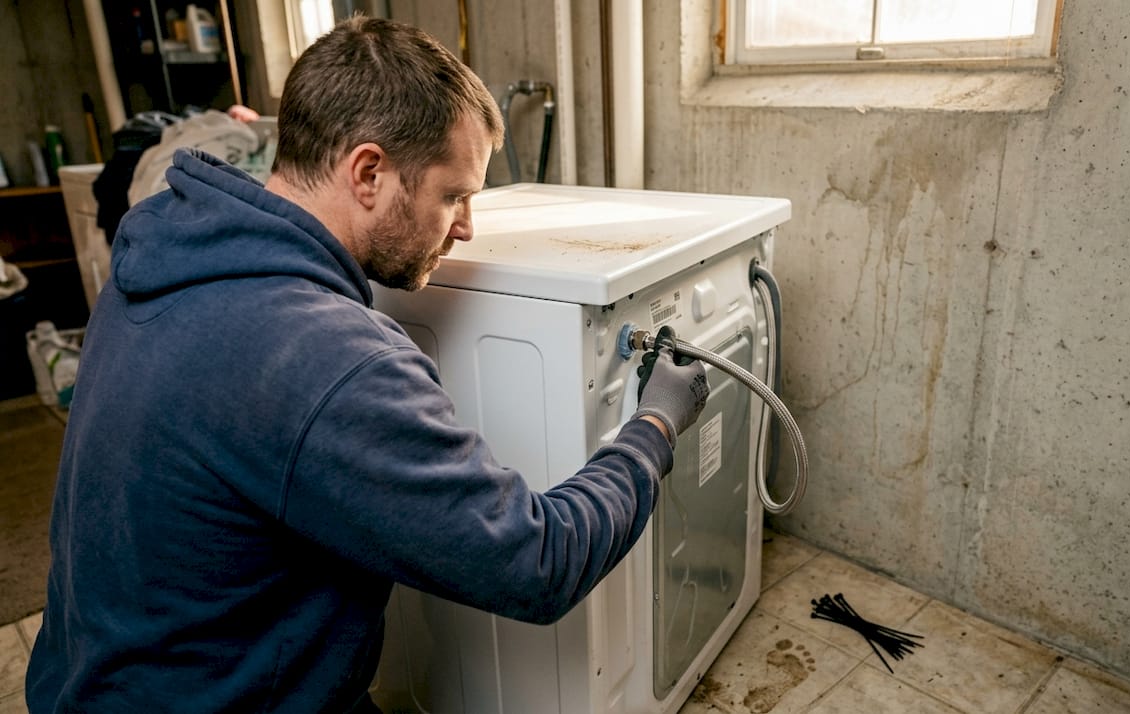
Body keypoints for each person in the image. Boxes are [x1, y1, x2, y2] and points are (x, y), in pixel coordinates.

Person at [26, 15, 707, 714]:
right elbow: (536, 563)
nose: (468, 225)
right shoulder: (329, 358)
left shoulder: (166, 250)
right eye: (454, 195)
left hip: (85, 682)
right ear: (369, 172)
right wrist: (653, 427)